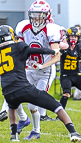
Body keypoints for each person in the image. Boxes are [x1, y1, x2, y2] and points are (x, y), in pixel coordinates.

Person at [0, 25, 81, 142]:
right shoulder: (18, 46)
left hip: (7, 91)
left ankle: (14, 136)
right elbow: (34, 50)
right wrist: (53, 51)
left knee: (12, 107)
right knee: (56, 106)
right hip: (23, 88)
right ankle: (73, 133)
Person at [15, 0, 62, 140]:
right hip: (29, 69)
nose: (36, 18)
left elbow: (57, 56)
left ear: (47, 15)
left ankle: (36, 131)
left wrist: (42, 66)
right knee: (14, 95)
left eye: (39, 14)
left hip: (44, 72)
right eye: (34, 14)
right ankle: (23, 119)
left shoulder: (51, 30)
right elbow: (18, 49)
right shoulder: (23, 27)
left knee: (32, 104)